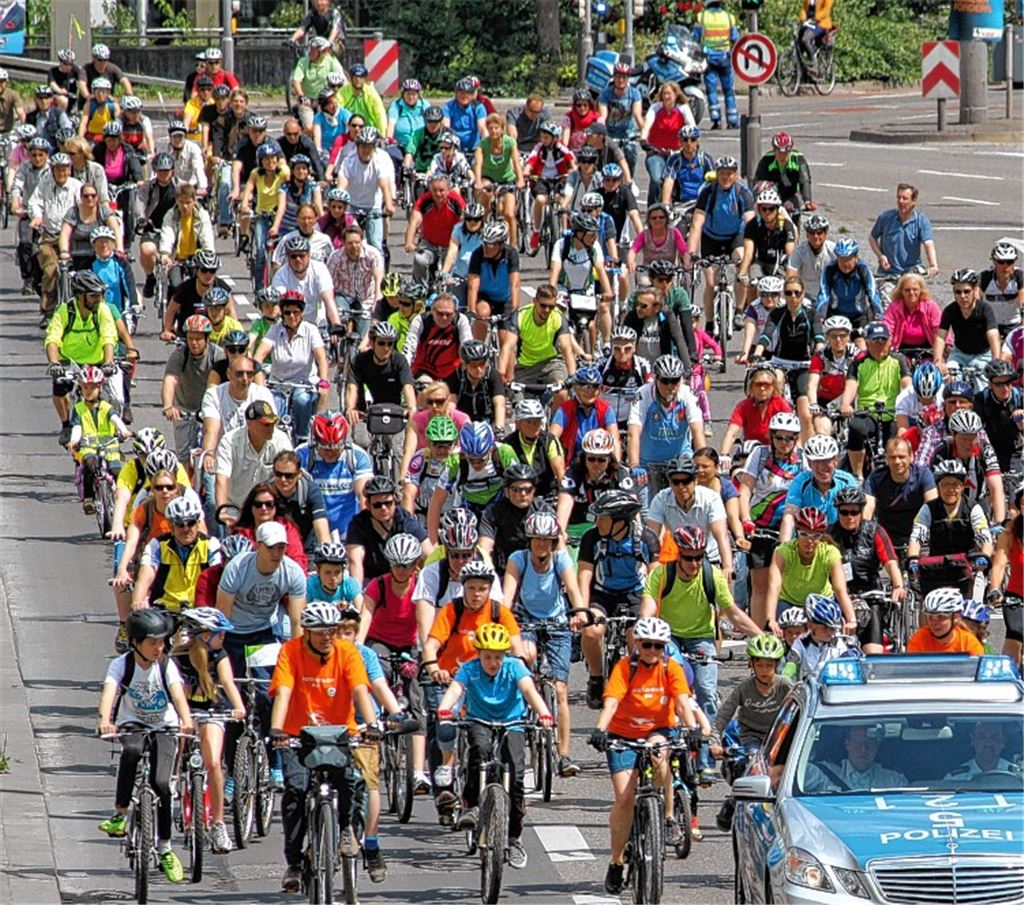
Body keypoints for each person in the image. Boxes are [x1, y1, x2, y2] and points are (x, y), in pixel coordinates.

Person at [268, 601, 378, 893]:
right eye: (320, 631)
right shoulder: (291, 651)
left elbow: (360, 690)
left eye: (331, 630)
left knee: (352, 782)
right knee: (296, 789)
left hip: (339, 735)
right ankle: (294, 862)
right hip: (297, 735)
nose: (327, 636)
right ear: (306, 632)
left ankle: (346, 830)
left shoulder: (347, 652)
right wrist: (277, 729)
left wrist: (372, 725)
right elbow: (283, 691)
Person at [588, 616, 700, 894]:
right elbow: (612, 702)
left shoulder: (671, 668)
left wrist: (692, 728)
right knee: (624, 797)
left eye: (658, 646)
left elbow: (682, 702)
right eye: (647, 644)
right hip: (623, 734)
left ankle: (662, 813)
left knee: (660, 756)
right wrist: (600, 729)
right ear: (637, 644)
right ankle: (617, 861)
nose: (652, 650)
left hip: (658, 729)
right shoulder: (625, 668)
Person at [640, 525, 760, 779]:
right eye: (688, 557)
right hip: (669, 635)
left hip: (701, 637)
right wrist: (645, 636)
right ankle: (667, 743)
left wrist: (760, 635)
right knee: (673, 685)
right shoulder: (661, 574)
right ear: (678, 555)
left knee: (706, 692)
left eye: (699, 557)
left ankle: (705, 760)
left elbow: (733, 613)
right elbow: (647, 610)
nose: (694, 563)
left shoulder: (711, 575)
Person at [434, 620, 550, 868]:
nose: (493, 662)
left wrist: (544, 713)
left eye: (498, 657)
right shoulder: (470, 668)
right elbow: (456, 690)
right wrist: (444, 709)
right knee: (479, 751)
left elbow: (529, 691)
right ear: (479, 654)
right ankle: (470, 805)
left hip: (513, 722)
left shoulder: (515, 667)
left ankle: (514, 837)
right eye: (487, 657)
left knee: (516, 777)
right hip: (479, 720)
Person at [96, 609, 193, 885]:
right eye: (152, 642)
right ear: (135, 643)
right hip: (132, 723)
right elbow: (108, 695)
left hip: (164, 726)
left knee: (162, 783)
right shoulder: (121, 665)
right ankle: (120, 814)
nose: (159, 648)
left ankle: (165, 848)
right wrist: (105, 721)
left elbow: (178, 696)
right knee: (132, 751)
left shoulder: (166, 666)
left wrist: (186, 721)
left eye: (162, 642)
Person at [170, 607, 246, 854]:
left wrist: (238, 707)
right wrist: (181, 715)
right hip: (186, 710)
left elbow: (228, 682)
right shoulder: (179, 655)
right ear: (204, 635)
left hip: (213, 710)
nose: (223, 637)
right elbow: (173, 687)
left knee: (213, 762)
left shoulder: (220, 655)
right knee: (178, 743)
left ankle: (218, 823)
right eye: (218, 633)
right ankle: (173, 781)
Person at [578, 491, 661, 706]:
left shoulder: (646, 538)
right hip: (603, 593)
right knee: (591, 631)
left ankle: (637, 681)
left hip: (636, 593)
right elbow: (584, 575)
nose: (598, 522)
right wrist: (581, 610)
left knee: (638, 636)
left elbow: (655, 579)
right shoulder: (592, 537)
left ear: (620, 521)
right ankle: (596, 678)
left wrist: (650, 615)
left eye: (603, 518)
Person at [710, 633, 790, 830]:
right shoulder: (743, 689)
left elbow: (800, 709)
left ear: (777, 665)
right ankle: (732, 802)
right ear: (751, 664)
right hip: (752, 737)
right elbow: (723, 716)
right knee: (753, 766)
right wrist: (714, 740)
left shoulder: (785, 685)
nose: (764, 670)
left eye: (769, 665)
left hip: (778, 737)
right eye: (760, 665)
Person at [907, 459, 993, 598]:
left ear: (962, 486)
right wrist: (913, 559)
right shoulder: (928, 509)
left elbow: (984, 536)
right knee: (928, 604)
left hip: (967, 567)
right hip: (937, 567)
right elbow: (917, 536)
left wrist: (984, 556)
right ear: (938, 487)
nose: (951, 489)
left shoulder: (973, 508)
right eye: (946, 484)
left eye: (955, 485)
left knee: (974, 604)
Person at [765, 506, 856, 635]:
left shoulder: (830, 553)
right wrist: (770, 619)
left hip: (821, 602)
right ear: (796, 532)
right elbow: (774, 587)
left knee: (831, 636)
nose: (809, 541)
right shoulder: (783, 552)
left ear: (822, 536)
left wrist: (851, 619)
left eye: (816, 536)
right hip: (789, 602)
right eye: (804, 534)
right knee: (781, 636)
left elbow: (840, 589)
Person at [687, 156, 755, 328]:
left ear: (736, 175)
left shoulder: (743, 193)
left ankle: (739, 310)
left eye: (730, 173)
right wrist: (692, 253)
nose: (726, 177)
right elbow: (696, 224)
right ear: (717, 174)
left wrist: (753, 251)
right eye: (722, 173)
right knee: (710, 282)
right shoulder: (707, 193)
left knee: (742, 266)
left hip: (735, 236)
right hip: (711, 238)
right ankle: (710, 322)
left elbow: (751, 224)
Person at [840, 321, 912, 480]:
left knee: (900, 438)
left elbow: (907, 383)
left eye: (883, 340)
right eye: (875, 341)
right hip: (868, 412)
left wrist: (911, 400)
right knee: (856, 427)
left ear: (890, 342)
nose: (880, 345)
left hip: (892, 412)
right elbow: (851, 386)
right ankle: (857, 475)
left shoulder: (898, 360)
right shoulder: (858, 363)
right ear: (867, 343)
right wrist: (845, 404)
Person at [627, 354, 707, 495]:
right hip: (648, 464)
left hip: (680, 459)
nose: (670, 386)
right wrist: (634, 464)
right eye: (665, 381)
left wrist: (702, 464)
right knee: (644, 506)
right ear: (656, 379)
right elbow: (633, 433)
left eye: (674, 381)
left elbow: (697, 431)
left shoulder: (688, 394)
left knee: (690, 499)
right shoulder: (643, 394)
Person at [646, 454, 734, 581]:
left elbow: (722, 536)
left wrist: (727, 567)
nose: (681, 487)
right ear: (670, 483)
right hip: (680, 561)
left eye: (686, 481)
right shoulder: (661, 499)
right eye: (676, 482)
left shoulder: (711, 499)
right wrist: (652, 571)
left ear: (695, 481)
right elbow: (651, 539)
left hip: (710, 558)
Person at [131, 495, 221, 612]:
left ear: (198, 523)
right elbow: (145, 577)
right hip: (165, 610)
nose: (186, 529)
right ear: (171, 526)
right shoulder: (157, 545)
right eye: (180, 524)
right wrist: (137, 602)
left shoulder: (210, 544)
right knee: (140, 620)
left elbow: (218, 577)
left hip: (201, 609)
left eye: (191, 523)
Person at [65, 364, 129, 514]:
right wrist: (74, 440)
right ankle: (89, 499)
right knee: (90, 465)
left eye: (93, 387)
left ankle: (125, 501)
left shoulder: (106, 407)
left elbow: (115, 419)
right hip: (88, 447)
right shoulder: (79, 409)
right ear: (80, 388)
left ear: (100, 388)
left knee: (117, 472)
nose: (89, 391)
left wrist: (124, 431)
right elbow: (77, 427)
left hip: (109, 447)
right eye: (85, 387)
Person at [214, 400, 294, 517]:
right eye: (266, 424)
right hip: (236, 509)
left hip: (269, 509)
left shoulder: (281, 440)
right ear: (250, 423)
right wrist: (222, 512)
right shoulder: (229, 442)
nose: (271, 428)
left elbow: (292, 473)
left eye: (273, 423)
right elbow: (222, 479)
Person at [863, 436, 938, 550]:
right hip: (886, 540)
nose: (897, 462)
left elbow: (933, 506)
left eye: (901, 457)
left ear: (911, 457)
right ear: (887, 459)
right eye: (892, 457)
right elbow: (867, 510)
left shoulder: (923, 475)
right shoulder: (875, 477)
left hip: (919, 538)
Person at [498, 283, 576, 387]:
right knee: (517, 396)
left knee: (561, 391)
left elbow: (567, 348)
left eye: (551, 307)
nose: (547, 310)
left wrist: (572, 376)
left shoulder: (558, 317)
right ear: (535, 301)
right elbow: (507, 347)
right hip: (526, 366)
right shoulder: (521, 316)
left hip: (552, 364)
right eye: (543, 305)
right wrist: (501, 374)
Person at [933, 269, 1002, 380]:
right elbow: (940, 336)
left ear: (975, 290)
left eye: (967, 291)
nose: (962, 296)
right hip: (959, 354)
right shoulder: (950, 310)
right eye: (958, 292)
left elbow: (993, 335)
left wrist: (996, 361)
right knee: (947, 379)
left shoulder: (985, 309)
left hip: (983, 355)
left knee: (983, 383)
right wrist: (938, 360)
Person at [802, 724, 909, 793]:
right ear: (847, 744)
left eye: (870, 744)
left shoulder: (894, 780)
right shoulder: (821, 772)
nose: (863, 750)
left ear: (877, 747)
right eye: (858, 743)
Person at [404, 173, 465, 286]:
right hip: (429, 244)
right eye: (435, 190)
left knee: (453, 270)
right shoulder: (424, 200)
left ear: (448, 190)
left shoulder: (455, 201)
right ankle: (419, 289)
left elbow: (464, 221)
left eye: (442, 190)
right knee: (420, 259)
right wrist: (409, 242)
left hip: (450, 245)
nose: (438, 194)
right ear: (430, 190)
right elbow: (414, 221)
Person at [473, 112, 524, 247]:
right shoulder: (483, 144)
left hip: (506, 179)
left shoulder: (509, 142)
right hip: (488, 178)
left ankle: (513, 246)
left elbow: (516, 162)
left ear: (502, 129)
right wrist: (478, 181)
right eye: (491, 128)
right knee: (485, 198)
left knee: (509, 214)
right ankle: (480, 238)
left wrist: (520, 180)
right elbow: (478, 164)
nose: (494, 131)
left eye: (497, 128)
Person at [869, 182, 939, 279]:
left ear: (913, 201)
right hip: (888, 275)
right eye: (898, 198)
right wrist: (880, 256)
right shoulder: (885, 218)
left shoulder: (921, 221)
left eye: (905, 198)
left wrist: (933, 265)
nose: (900, 201)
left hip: (911, 275)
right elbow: (872, 238)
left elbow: (928, 244)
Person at [467, 220, 522, 342]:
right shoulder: (477, 254)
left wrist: (514, 309)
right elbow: (472, 285)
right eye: (485, 243)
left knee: (506, 342)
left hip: (504, 300)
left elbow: (515, 284)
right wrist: (472, 310)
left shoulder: (511, 254)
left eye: (491, 245)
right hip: (484, 297)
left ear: (501, 244)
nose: (486, 248)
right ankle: (479, 346)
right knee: (482, 313)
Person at [816, 238, 882, 335]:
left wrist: (878, 316)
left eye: (848, 259)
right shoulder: (830, 270)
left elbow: (872, 293)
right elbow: (824, 295)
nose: (845, 263)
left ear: (856, 257)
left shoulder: (863, 269)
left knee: (861, 342)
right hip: (835, 315)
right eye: (841, 259)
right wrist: (820, 317)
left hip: (859, 316)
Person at [693, 0, 740, 130]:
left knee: (711, 90)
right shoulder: (729, 17)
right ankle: (732, 120)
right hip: (725, 58)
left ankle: (716, 119)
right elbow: (735, 38)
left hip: (708, 59)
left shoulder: (701, 17)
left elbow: (695, 38)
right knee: (728, 90)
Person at [987, 496, 1023, 666]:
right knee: (1015, 635)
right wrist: (995, 588)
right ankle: (1008, 676)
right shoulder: (1010, 533)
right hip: (1017, 595)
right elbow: (999, 565)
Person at [973, 359, 1024, 474]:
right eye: (999, 384)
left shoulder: (1020, 397)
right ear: (990, 385)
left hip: (1014, 451)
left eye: (1008, 383)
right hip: (989, 450)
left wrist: (1021, 424)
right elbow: (976, 429)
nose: (1004, 388)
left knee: (1016, 481)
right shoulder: (981, 400)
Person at [753, 131, 816, 223]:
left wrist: (807, 200)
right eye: (779, 153)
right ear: (774, 151)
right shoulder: (766, 160)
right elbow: (759, 182)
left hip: (789, 194)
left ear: (790, 151)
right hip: (771, 194)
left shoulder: (798, 159)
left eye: (786, 153)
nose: (782, 157)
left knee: (792, 210)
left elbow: (805, 180)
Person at [882, 271, 942, 361]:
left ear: (921, 290)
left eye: (915, 289)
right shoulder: (894, 307)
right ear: (901, 291)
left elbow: (940, 330)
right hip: (901, 352)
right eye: (907, 290)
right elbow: (887, 328)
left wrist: (940, 357)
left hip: (928, 351)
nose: (911, 293)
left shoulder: (931, 306)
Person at [906, 588, 985, 655]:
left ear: (956, 617)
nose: (934, 623)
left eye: (940, 616)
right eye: (930, 617)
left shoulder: (968, 642)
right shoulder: (920, 638)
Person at [290, 38, 345, 133]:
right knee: (310, 128)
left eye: (313, 50)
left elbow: (342, 79)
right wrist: (301, 96)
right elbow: (296, 80)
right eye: (310, 49)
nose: (310, 52)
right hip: (308, 101)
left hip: (325, 100)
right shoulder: (303, 62)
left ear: (322, 52)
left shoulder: (331, 61)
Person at [597, 62, 644, 174]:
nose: (621, 80)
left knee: (631, 155)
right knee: (606, 161)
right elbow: (603, 115)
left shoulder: (634, 93)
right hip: (610, 134)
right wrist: (600, 128)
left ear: (628, 79)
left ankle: (629, 181)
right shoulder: (606, 93)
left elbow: (637, 114)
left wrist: (645, 133)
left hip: (628, 134)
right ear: (614, 77)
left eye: (624, 77)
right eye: (618, 77)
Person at [944, 722, 1021, 781]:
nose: (988, 743)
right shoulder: (956, 778)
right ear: (973, 740)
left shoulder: (1018, 776)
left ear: (1003, 742)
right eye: (982, 737)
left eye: (995, 737)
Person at [661, 125, 715, 206]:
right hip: (681, 203)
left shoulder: (705, 159)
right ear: (680, 142)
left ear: (697, 141)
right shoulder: (674, 160)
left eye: (693, 139)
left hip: (702, 203)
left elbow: (714, 182)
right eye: (685, 140)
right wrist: (665, 205)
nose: (689, 143)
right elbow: (668, 181)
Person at [786, 213, 835, 301]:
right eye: (812, 233)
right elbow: (791, 275)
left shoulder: (833, 250)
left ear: (825, 234)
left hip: (830, 297)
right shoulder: (799, 251)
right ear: (807, 235)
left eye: (819, 233)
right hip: (806, 298)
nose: (816, 236)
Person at [980, 242, 1024, 336]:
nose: (1005, 266)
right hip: (990, 324)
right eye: (1001, 262)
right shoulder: (985, 277)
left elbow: (1023, 301)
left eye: (1010, 262)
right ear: (994, 262)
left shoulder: (1020, 276)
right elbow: (975, 301)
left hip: (1013, 324)